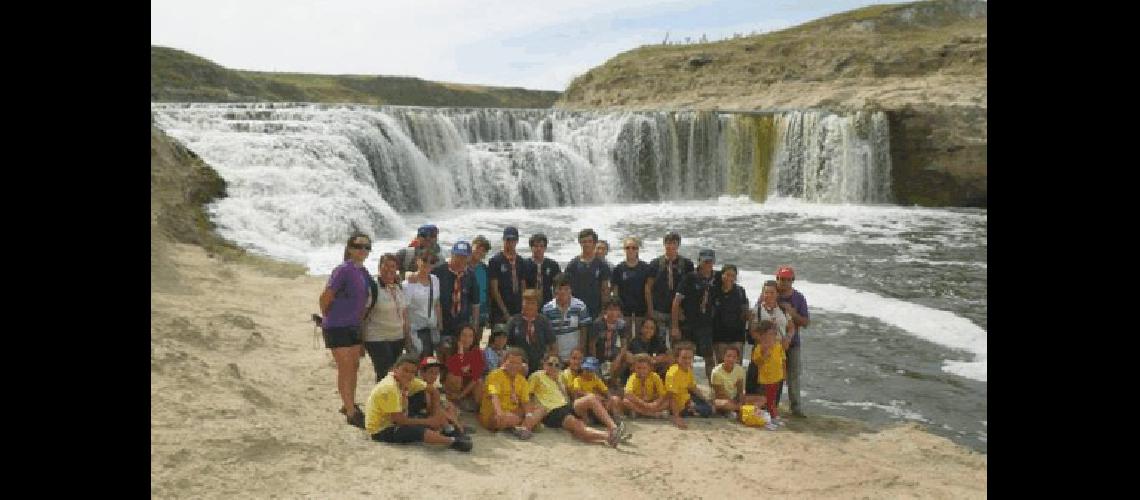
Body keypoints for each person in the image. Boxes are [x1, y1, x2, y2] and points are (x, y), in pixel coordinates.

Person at [318, 232, 373, 429]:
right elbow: (325, 297)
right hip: (337, 326)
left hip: (353, 326)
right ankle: (351, 412)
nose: (363, 250)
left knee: (354, 366)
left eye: (367, 247)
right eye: (359, 246)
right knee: (345, 366)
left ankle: (348, 402)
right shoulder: (342, 270)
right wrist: (330, 317)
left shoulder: (363, 271)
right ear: (350, 248)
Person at [365, 353, 472, 451]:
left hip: (398, 417)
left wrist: (434, 413)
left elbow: (434, 391)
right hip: (381, 429)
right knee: (415, 430)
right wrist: (430, 420)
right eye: (405, 370)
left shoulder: (409, 381)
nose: (408, 374)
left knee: (433, 415)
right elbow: (399, 421)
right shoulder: (389, 388)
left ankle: (451, 432)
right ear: (395, 369)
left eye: (412, 372)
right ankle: (452, 441)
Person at [527, 355, 624, 447]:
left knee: (591, 398)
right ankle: (608, 436)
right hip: (552, 410)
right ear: (544, 364)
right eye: (550, 364)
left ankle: (613, 427)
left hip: (566, 405)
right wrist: (534, 415)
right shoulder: (537, 376)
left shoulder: (561, 376)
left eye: (556, 365)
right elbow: (529, 395)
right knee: (577, 425)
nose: (553, 367)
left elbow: (572, 386)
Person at [363, 253, 413, 382]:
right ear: (379, 267)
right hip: (377, 337)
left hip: (398, 337)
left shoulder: (398, 287)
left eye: (393, 266)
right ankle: (380, 401)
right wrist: (360, 343)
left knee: (396, 374)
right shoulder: (372, 287)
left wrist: (407, 339)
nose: (389, 269)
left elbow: (404, 315)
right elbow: (362, 315)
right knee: (385, 373)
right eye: (386, 266)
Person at [671, 249, 718, 384]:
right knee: (686, 357)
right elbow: (676, 302)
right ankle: (685, 385)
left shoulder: (717, 278)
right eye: (705, 261)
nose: (707, 264)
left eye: (710, 261)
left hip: (706, 326)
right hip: (688, 324)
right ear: (699, 262)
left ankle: (713, 387)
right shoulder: (689, 278)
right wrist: (675, 327)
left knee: (709, 358)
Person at [479, 348, 542, 439]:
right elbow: (494, 396)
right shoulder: (494, 375)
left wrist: (528, 415)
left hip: (513, 411)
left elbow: (525, 402)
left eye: (517, 363)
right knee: (505, 419)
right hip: (495, 414)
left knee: (540, 409)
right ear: (504, 362)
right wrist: (500, 413)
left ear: (522, 365)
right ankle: (523, 425)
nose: (514, 366)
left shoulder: (522, 380)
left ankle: (523, 428)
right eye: (511, 362)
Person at [645, 231, 694, 348]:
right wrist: (650, 310)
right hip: (659, 310)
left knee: (677, 344)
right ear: (664, 244)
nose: (671, 246)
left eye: (674, 243)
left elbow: (690, 289)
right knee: (659, 344)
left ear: (678, 245)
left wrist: (684, 309)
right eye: (668, 243)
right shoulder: (655, 263)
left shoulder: (687, 264)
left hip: (678, 312)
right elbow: (648, 287)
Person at [775, 265, 810, 418]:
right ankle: (772, 404)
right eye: (782, 279)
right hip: (773, 343)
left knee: (793, 375)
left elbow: (806, 322)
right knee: (774, 375)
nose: (785, 283)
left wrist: (792, 313)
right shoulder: (770, 292)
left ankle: (795, 407)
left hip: (793, 343)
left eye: (788, 280)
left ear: (793, 281)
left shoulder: (799, 298)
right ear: (777, 279)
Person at [432, 241, 481, 345]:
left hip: (462, 326)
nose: (460, 260)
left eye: (464, 257)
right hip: (443, 325)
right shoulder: (438, 272)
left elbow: (475, 304)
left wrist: (474, 327)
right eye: (457, 256)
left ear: (468, 258)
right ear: (452, 254)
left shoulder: (471, 276)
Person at [407, 356, 466, 438]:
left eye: (436, 373)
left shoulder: (433, 386)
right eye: (431, 372)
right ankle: (455, 430)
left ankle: (455, 427)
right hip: (416, 418)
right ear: (422, 372)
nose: (434, 376)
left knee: (450, 406)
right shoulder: (418, 386)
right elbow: (431, 407)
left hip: (428, 416)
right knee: (441, 413)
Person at [751, 320, 792, 430]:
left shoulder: (778, 346)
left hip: (777, 378)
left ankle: (773, 417)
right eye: (769, 334)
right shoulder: (759, 348)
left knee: (773, 400)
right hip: (766, 379)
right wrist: (764, 354)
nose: (772, 337)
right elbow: (757, 362)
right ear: (762, 336)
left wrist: (785, 375)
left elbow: (783, 360)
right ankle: (767, 419)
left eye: (774, 334)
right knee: (766, 400)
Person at [563, 228, 610, 321]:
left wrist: (604, 311)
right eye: (584, 241)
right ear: (580, 243)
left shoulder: (602, 265)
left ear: (594, 243)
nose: (587, 244)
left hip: (596, 310)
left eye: (590, 241)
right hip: (576, 309)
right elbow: (566, 288)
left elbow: (605, 290)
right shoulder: (573, 264)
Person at [506, 289, 556, 375]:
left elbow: (553, 346)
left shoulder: (544, 321)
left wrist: (547, 362)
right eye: (526, 302)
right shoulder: (513, 321)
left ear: (538, 305)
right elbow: (506, 346)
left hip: (540, 369)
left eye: (532, 303)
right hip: (518, 369)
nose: (529, 306)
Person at [609, 236, 651, 341]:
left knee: (640, 338)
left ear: (638, 249)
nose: (631, 250)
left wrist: (650, 310)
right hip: (624, 311)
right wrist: (617, 311)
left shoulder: (645, 267)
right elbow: (615, 292)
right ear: (624, 249)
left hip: (641, 310)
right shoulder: (618, 269)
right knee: (624, 339)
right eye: (628, 248)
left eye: (634, 247)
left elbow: (648, 291)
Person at [542, 273, 592, 360]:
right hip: (556, 356)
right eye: (560, 289)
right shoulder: (547, 309)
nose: (563, 292)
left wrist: (580, 353)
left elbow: (584, 332)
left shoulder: (580, 306)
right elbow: (546, 335)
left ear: (571, 290)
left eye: (566, 289)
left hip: (575, 356)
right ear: (554, 290)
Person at [664, 342, 713, 429]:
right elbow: (671, 397)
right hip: (678, 405)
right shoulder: (673, 373)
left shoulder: (688, 369)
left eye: (689, 358)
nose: (687, 361)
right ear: (677, 358)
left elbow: (693, 387)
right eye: (684, 358)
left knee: (709, 406)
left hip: (686, 399)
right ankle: (691, 410)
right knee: (708, 410)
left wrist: (705, 399)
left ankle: (693, 408)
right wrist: (677, 417)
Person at [710, 264, 749, 371]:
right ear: (722, 275)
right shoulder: (714, 291)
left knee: (736, 368)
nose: (730, 278)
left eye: (733, 275)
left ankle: (737, 388)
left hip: (737, 335)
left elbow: (745, 311)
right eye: (727, 275)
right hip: (719, 336)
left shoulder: (740, 291)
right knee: (721, 367)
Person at [709, 345, 764, 420]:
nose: (731, 359)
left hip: (735, 399)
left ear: (737, 359)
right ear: (723, 357)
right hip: (722, 400)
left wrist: (740, 401)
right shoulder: (716, 372)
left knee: (762, 399)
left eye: (734, 357)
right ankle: (744, 410)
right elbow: (720, 394)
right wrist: (738, 404)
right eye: (728, 356)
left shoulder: (740, 370)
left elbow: (740, 391)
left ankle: (741, 411)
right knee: (724, 403)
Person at [404, 254, 442, 359]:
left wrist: (440, 325)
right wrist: (407, 336)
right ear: (418, 261)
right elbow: (404, 310)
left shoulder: (435, 280)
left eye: (432, 261)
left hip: (431, 328)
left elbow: (437, 303)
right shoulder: (408, 284)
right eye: (425, 260)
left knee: (430, 362)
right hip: (416, 330)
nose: (428, 264)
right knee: (419, 362)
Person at [488, 227, 526, 333]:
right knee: (499, 339)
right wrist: (505, 312)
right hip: (500, 310)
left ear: (517, 241)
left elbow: (523, 286)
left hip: (518, 308)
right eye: (507, 240)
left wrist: (524, 307)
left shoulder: (521, 261)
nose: (510, 243)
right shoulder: (495, 261)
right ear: (503, 240)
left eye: (513, 240)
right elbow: (494, 290)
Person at [444, 325, 485, 413]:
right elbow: (457, 370)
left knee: (480, 382)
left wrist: (461, 395)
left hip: (469, 387)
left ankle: (476, 407)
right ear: (459, 336)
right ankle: (453, 402)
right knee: (455, 376)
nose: (467, 339)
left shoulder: (477, 353)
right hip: (456, 385)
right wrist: (461, 352)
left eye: (470, 336)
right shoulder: (451, 350)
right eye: (464, 335)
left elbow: (475, 378)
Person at [588, 297, 629, 384]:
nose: (613, 312)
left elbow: (624, 345)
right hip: (600, 357)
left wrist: (618, 359)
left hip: (614, 356)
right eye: (610, 309)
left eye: (616, 310)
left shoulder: (622, 325)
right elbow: (592, 345)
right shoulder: (597, 324)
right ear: (605, 311)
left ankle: (615, 380)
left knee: (627, 358)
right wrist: (596, 363)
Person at [621, 353, 670, 419]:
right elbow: (628, 393)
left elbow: (662, 394)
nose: (641, 371)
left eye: (644, 368)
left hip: (652, 402)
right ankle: (650, 414)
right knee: (626, 401)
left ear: (650, 368)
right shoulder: (633, 378)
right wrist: (644, 404)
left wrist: (655, 403)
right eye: (638, 368)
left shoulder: (655, 376)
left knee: (668, 401)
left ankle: (640, 413)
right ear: (634, 368)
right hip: (639, 402)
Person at [755, 280, 794, 360]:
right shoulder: (757, 310)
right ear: (762, 294)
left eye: (772, 293)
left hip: (780, 350)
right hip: (763, 351)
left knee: (781, 372)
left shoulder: (783, 309)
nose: (769, 295)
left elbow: (791, 327)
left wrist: (788, 338)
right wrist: (767, 344)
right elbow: (753, 332)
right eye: (766, 292)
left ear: (777, 294)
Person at [523, 232, 561, 305]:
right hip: (529, 302)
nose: (539, 249)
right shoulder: (524, 264)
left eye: (541, 246)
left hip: (548, 301)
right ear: (531, 247)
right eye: (536, 246)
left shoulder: (553, 265)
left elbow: (558, 286)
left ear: (545, 248)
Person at [469, 235, 492, 340]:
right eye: (477, 248)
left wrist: (488, 313)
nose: (480, 251)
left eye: (483, 250)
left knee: (477, 343)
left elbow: (488, 291)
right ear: (471, 247)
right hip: (467, 311)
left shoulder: (485, 268)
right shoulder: (463, 266)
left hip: (482, 311)